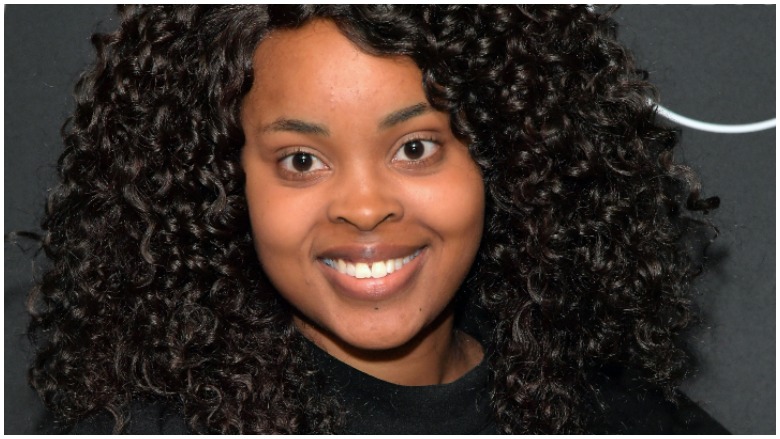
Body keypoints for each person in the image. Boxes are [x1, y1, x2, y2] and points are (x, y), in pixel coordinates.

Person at [27, 5, 726, 434]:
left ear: (506, 159)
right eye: (302, 160)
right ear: (222, 184)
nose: (364, 207)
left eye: (415, 148)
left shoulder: (626, 418)